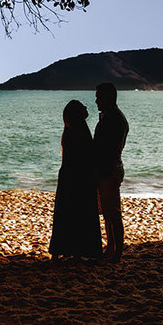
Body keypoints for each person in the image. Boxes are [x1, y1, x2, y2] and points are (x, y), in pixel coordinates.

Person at [48, 99, 102, 261]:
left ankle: (60, 250)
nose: (87, 108)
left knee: (65, 213)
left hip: (67, 176)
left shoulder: (69, 131)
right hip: (81, 177)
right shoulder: (81, 131)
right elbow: (89, 156)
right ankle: (80, 250)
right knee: (82, 213)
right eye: (83, 107)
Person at [93, 82, 129, 262]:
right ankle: (111, 248)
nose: (96, 100)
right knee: (108, 213)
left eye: (99, 96)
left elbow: (110, 148)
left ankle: (117, 252)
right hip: (106, 170)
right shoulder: (110, 117)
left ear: (108, 97)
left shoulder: (115, 119)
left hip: (109, 171)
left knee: (113, 213)